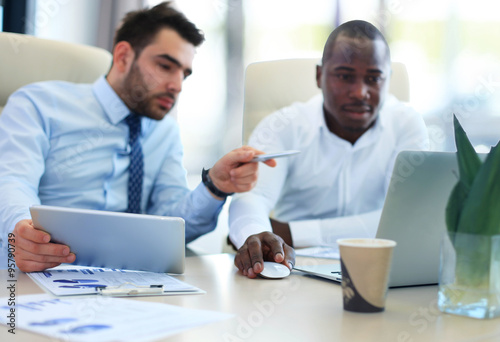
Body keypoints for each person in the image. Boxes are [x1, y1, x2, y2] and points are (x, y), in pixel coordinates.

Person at [0, 2, 275, 273]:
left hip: (128, 282)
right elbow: (12, 180)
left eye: (184, 74)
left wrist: (215, 185)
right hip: (45, 270)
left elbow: (174, 226)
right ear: (123, 57)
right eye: (166, 66)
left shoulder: (164, 132)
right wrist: (21, 230)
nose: (177, 85)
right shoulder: (39, 104)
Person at [229, 20, 429, 278]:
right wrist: (256, 235)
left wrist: (290, 232)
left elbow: (406, 217)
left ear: (388, 79)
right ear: (319, 76)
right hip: (291, 270)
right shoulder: (284, 125)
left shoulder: (407, 124)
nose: (360, 92)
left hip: (377, 273)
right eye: (345, 76)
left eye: (374, 78)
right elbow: (250, 197)